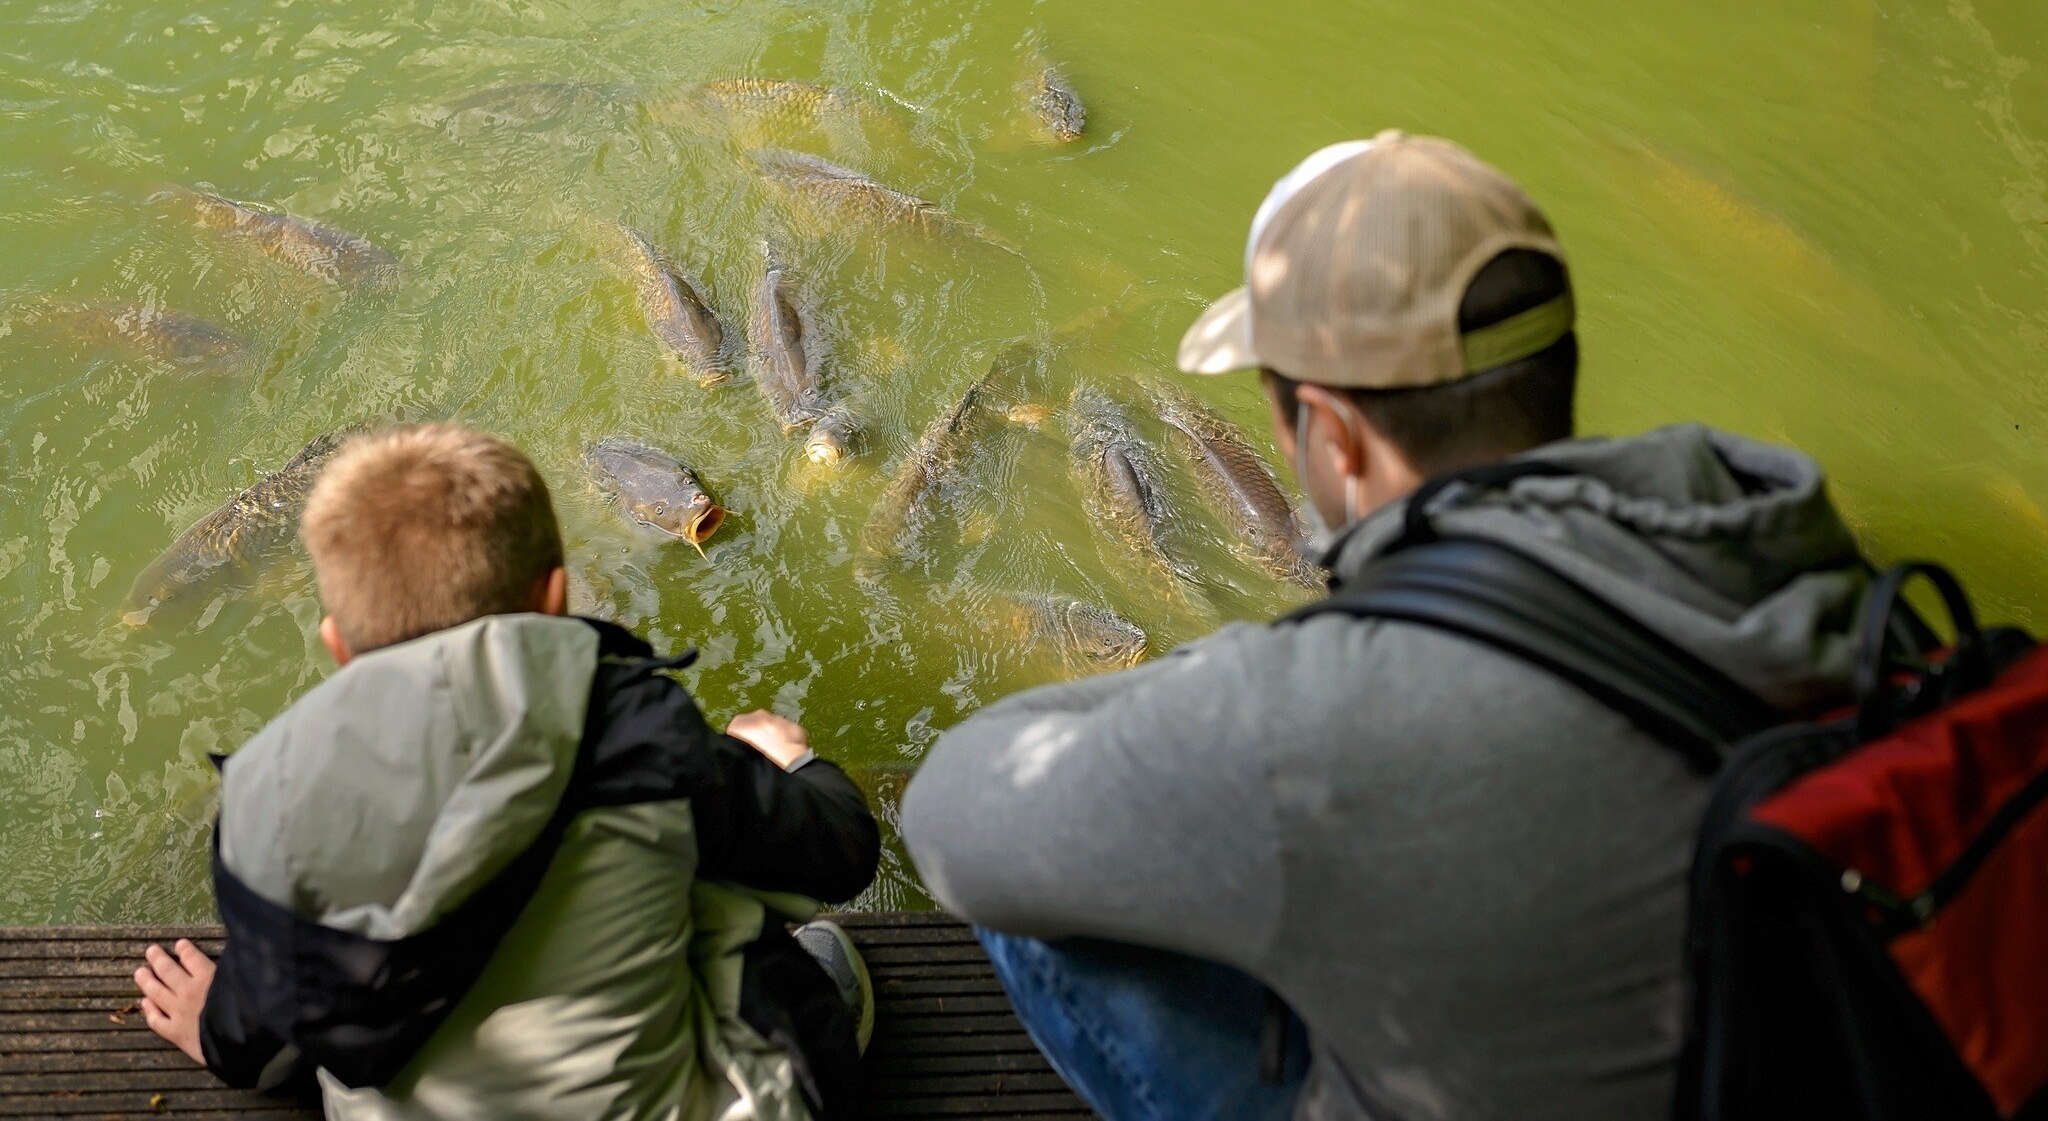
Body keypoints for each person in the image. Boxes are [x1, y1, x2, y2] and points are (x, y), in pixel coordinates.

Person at [901, 132, 1871, 1121]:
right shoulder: (1780, 534)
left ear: (1328, 432)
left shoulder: (1314, 709)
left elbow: (947, 818)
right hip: (1804, 1057)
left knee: (1037, 906)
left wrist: (1221, 685)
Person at [131, 423, 881, 1120]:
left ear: (338, 645)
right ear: (554, 598)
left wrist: (216, 1026)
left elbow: (256, 1045)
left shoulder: (265, 800)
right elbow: (844, 853)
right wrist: (792, 761)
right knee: (775, 931)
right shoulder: (640, 733)